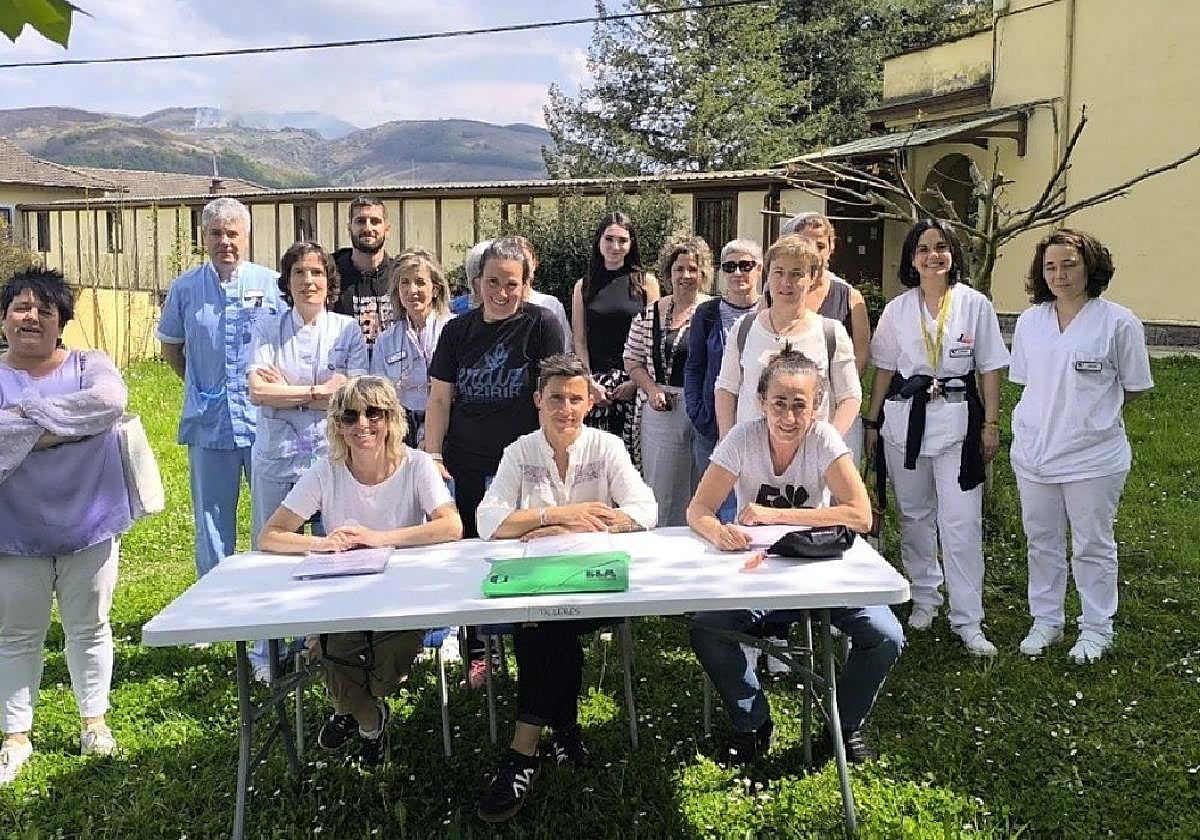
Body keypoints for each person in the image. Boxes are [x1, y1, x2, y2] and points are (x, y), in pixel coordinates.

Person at [687, 347, 903, 766]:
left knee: (885, 635)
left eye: (799, 406)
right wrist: (719, 532)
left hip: (820, 568)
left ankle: (843, 725)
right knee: (706, 628)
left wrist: (776, 514)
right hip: (760, 570)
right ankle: (753, 722)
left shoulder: (824, 439)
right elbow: (698, 509)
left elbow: (860, 515)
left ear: (816, 407)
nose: (788, 417)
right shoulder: (743, 438)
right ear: (761, 402)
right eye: (779, 404)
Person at [474, 354, 657, 823]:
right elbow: (487, 520)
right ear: (538, 400)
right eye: (556, 398)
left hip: (596, 585)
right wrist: (553, 516)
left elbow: (644, 510)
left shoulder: (607, 446)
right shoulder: (520, 451)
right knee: (547, 626)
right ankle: (565, 731)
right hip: (538, 586)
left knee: (542, 628)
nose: (566, 409)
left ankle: (522, 754)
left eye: (576, 398)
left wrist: (583, 529)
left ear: (589, 402)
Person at [258, 376, 462, 767]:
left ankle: (351, 709)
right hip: (341, 595)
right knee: (333, 649)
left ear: (391, 418)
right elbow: (271, 535)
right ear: (337, 424)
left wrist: (379, 537)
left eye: (374, 413)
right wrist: (321, 543)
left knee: (380, 674)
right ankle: (369, 721)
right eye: (350, 416)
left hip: (403, 595)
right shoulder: (326, 470)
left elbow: (451, 526)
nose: (363, 424)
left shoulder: (417, 464)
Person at [0, 269, 132, 784]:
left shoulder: (90, 365)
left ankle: (93, 723)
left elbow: (108, 404)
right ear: (4, 318)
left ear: (62, 323)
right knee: (15, 635)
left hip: (90, 523)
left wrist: (24, 417)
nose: (30, 317)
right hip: (14, 531)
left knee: (91, 627)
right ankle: (15, 735)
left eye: (44, 309)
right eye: (19, 307)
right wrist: (64, 430)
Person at [864, 219, 1008, 656]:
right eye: (923, 249)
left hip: (959, 423)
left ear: (953, 254)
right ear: (912, 259)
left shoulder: (974, 304)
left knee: (961, 522)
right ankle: (925, 598)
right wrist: (872, 423)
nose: (933, 256)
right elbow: (884, 370)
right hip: (905, 421)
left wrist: (991, 424)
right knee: (914, 515)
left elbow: (989, 367)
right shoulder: (898, 309)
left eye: (941, 247)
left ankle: (969, 619)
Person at [424, 237, 564, 686]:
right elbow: (440, 396)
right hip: (467, 460)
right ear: (477, 284)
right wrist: (432, 453)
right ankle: (478, 649)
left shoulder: (541, 324)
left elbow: (554, 393)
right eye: (492, 283)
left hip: (524, 466)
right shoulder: (456, 331)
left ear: (526, 284)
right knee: (470, 554)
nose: (502, 293)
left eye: (511, 284)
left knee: (525, 553)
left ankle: (532, 649)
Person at [1009, 230, 1153, 662]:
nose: (1059, 274)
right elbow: (1029, 383)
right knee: (1042, 541)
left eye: (1069, 263)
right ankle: (1047, 620)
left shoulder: (1118, 322)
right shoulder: (1030, 322)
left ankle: (1095, 627)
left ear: (1090, 265)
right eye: (1050, 266)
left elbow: (1133, 387)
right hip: (1034, 454)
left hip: (1093, 458)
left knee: (1092, 544)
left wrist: (1090, 416)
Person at [246, 241, 368, 680]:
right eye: (299, 273)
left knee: (336, 551)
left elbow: (352, 395)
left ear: (329, 282)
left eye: (317, 273)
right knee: (274, 549)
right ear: (288, 281)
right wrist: (319, 392)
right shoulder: (267, 327)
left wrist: (292, 393)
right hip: (277, 456)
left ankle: (329, 647)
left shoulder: (346, 330)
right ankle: (266, 654)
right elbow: (259, 392)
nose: (309, 281)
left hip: (331, 454)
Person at [157, 197, 282, 578]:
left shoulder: (272, 284)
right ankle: (212, 601)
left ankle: (268, 596)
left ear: (246, 237)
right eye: (216, 234)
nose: (225, 242)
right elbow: (172, 349)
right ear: (204, 238)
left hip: (264, 420)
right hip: (209, 420)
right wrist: (204, 386)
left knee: (270, 514)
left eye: (232, 233)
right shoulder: (185, 288)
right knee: (211, 516)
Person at [714, 235, 860, 444]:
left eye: (796, 274)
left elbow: (850, 396)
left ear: (812, 278)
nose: (786, 282)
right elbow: (726, 389)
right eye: (779, 272)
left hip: (809, 458)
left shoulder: (831, 333)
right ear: (768, 275)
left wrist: (829, 444)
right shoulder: (744, 329)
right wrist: (728, 440)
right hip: (751, 455)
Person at [624, 235, 712, 526]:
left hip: (704, 407)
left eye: (692, 269)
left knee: (702, 483)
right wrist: (650, 390)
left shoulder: (714, 312)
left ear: (703, 274)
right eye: (679, 269)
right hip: (662, 407)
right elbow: (632, 360)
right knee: (661, 487)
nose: (686, 276)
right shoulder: (649, 315)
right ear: (668, 273)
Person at [782, 212, 872, 463]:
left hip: (836, 408)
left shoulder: (850, 297)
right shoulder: (777, 293)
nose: (814, 251)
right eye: (806, 242)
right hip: (790, 410)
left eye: (820, 245)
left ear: (831, 247)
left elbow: (861, 356)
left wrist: (830, 396)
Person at [684, 238, 763, 523]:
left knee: (755, 504)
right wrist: (700, 416)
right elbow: (693, 368)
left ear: (759, 269)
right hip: (713, 429)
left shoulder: (769, 313)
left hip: (761, 427)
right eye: (730, 267)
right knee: (718, 507)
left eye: (745, 265)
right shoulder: (706, 314)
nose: (738, 273)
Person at [571, 212, 660, 455]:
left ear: (631, 245)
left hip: (635, 385)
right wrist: (589, 383)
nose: (615, 246)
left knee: (633, 464)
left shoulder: (646, 283)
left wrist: (636, 381)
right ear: (599, 241)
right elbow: (579, 340)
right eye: (609, 239)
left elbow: (655, 340)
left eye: (622, 240)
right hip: (596, 388)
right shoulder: (584, 286)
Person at [370, 248, 455, 447]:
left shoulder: (454, 329)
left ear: (435, 289)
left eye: (420, 282)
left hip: (450, 429)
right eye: (405, 283)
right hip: (402, 433)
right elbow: (380, 396)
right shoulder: (385, 340)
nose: (412, 290)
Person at [332, 195, 396, 347]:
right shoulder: (330, 275)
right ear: (349, 228)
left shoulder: (400, 276)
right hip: (343, 368)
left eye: (375, 221)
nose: (368, 228)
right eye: (360, 221)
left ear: (386, 229)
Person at [513, 236, 573, 352]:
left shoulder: (551, 305)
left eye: (526, 261)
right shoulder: (499, 306)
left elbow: (566, 348)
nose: (522, 268)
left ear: (535, 263)